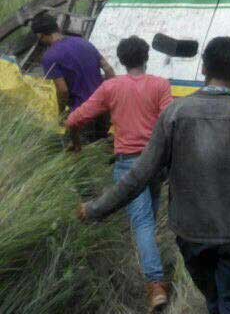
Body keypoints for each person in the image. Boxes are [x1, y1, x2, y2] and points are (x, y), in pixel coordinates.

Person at [78, 36, 230, 314]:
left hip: (191, 234)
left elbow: (139, 175)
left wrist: (96, 209)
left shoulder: (175, 113)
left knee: (214, 299)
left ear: (204, 69)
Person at [67, 36, 173, 311]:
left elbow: (75, 119)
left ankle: (155, 284)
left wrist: (75, 142)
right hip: (155, 163)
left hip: (128, 164)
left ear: (122, 60)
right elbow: (169, 123)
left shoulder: (111, 87)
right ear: (146, 57)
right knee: (148, 217)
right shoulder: (161, 86)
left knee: (142, 223)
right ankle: (153, 268)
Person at [30, 12, 115, 143]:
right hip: (103, 108)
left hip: (82, 113)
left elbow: (63, 90)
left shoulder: (49, 56)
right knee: (105, 148)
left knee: (83, 154)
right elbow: (108, 69)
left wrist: (62, 113)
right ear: (57, 28)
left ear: (41, 36)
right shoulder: (84, 42)